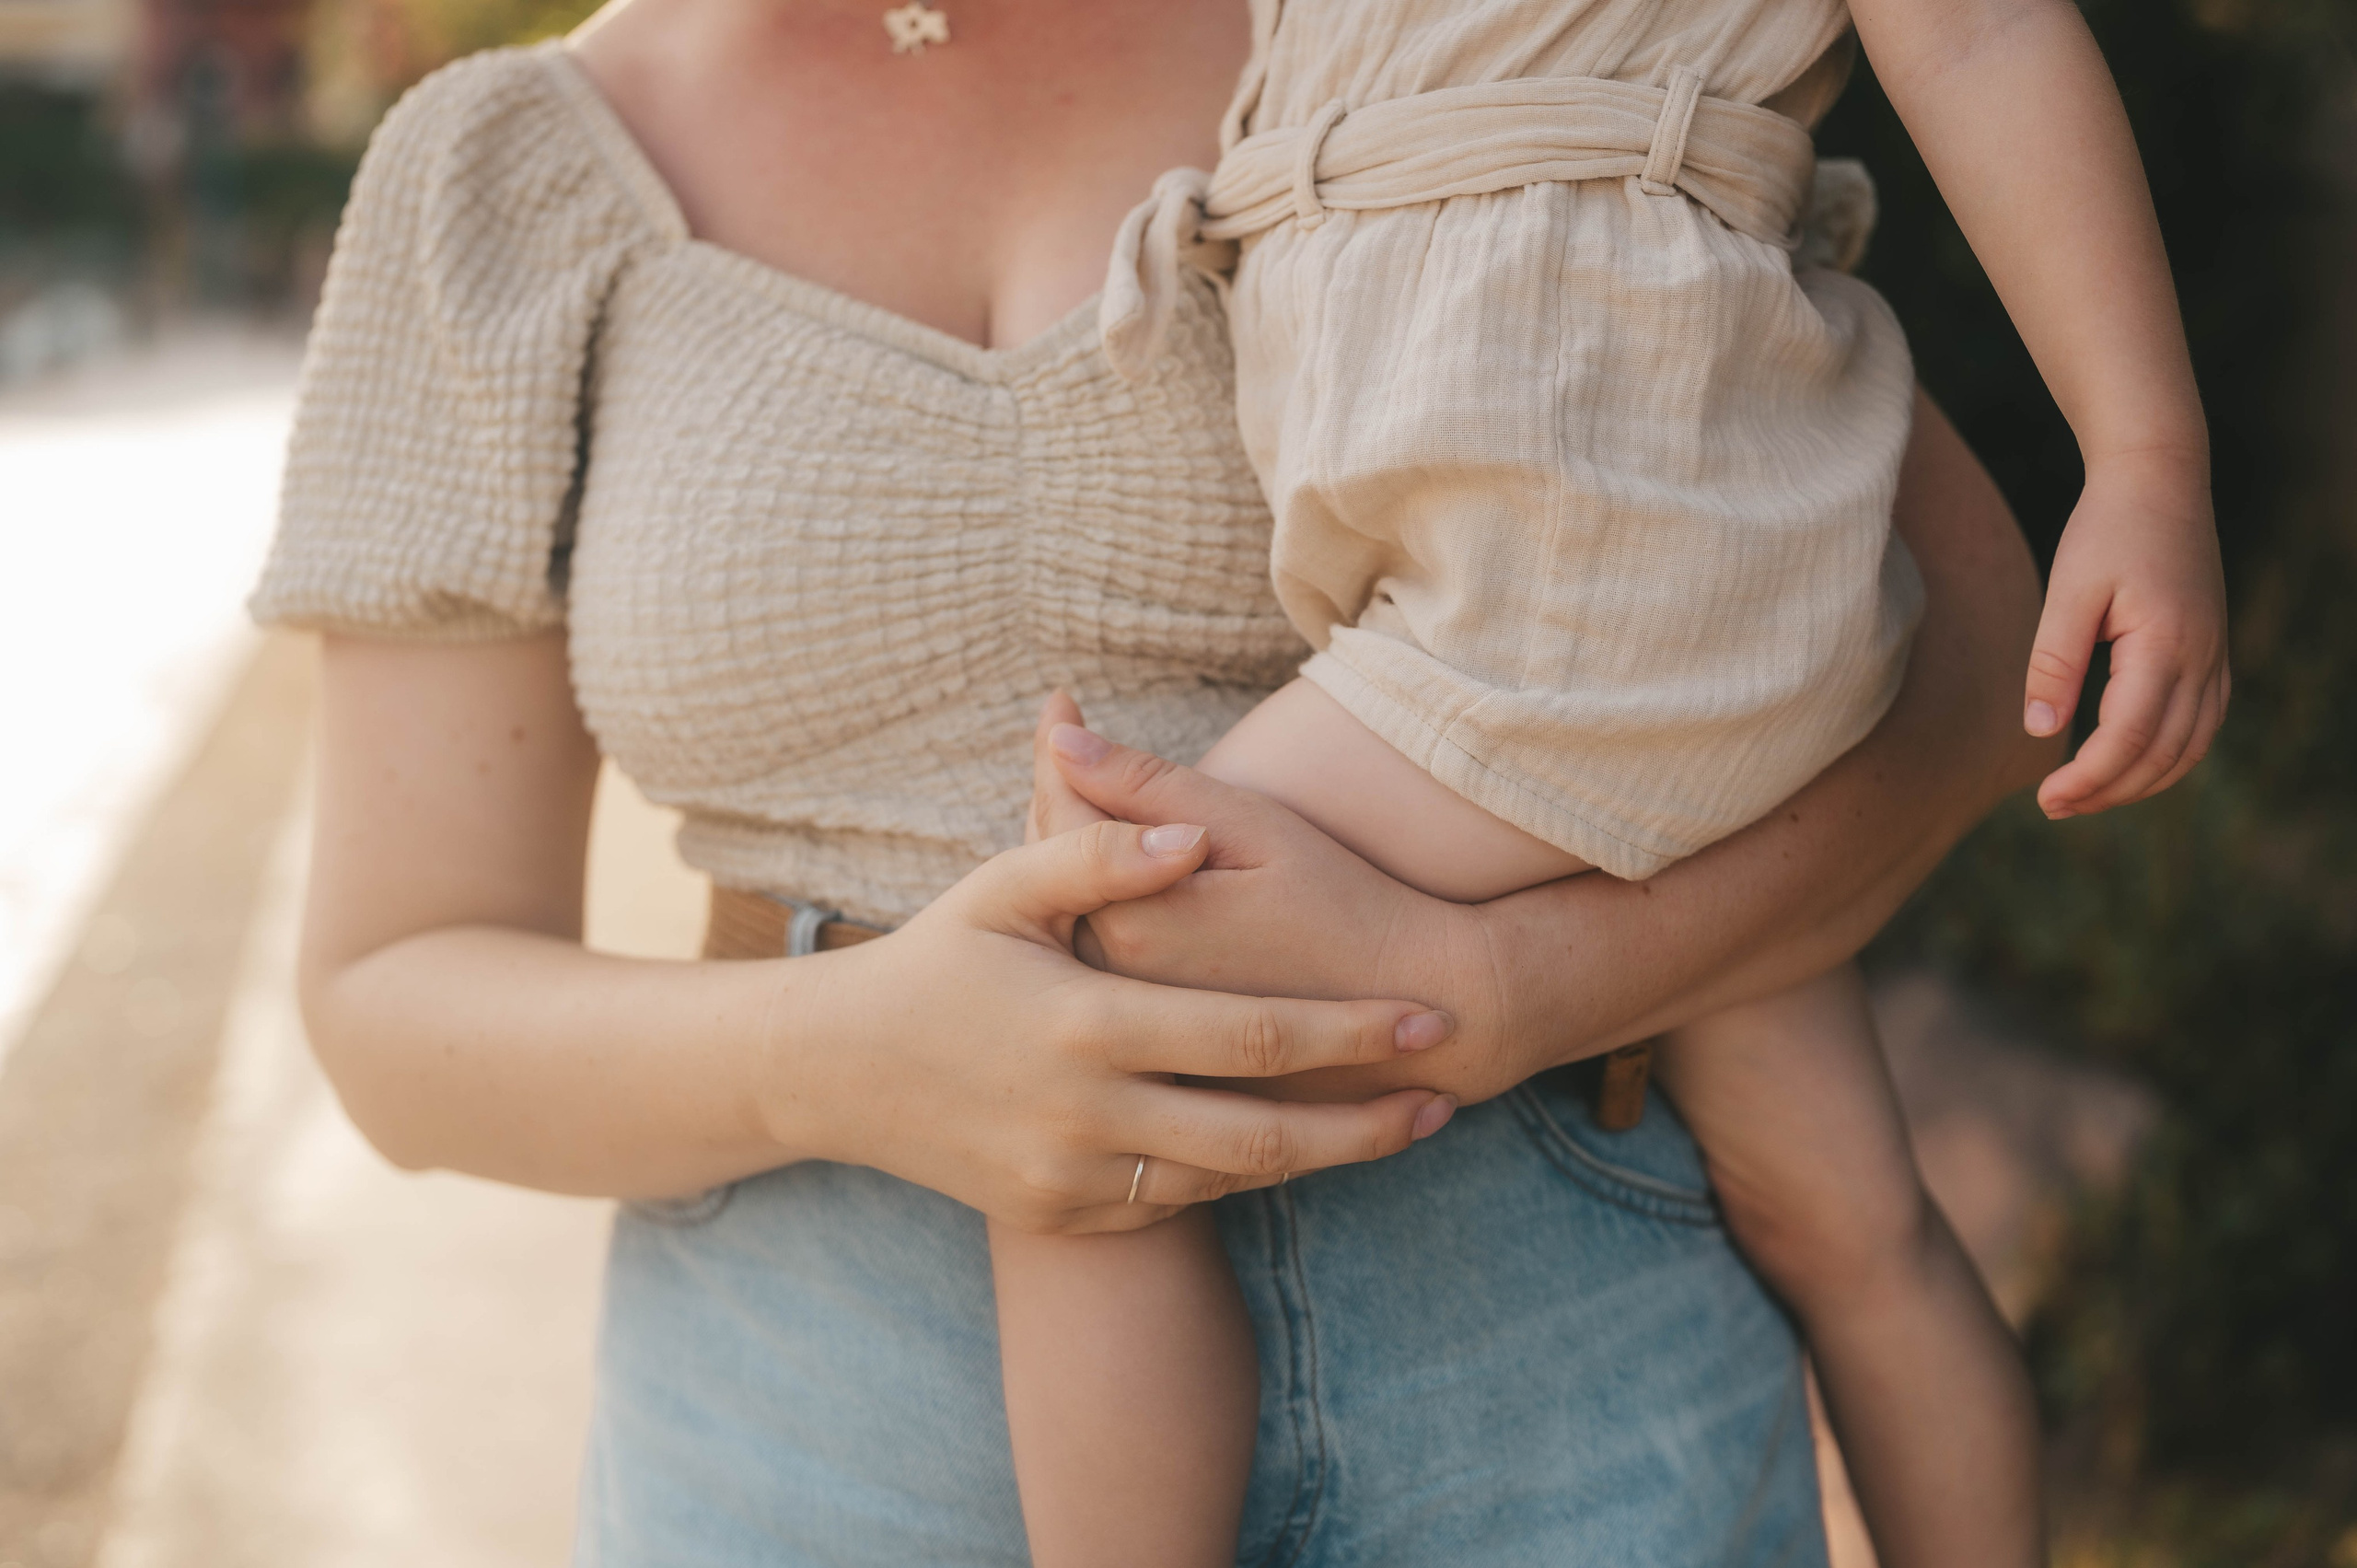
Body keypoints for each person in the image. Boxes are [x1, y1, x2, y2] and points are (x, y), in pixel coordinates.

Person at [250, 2, 2063, 1562]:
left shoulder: (1423, 30)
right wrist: (852, 1048)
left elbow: (1966, 653)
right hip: (815, 1415)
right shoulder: (503, 180)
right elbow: (394, 996)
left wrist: (1522, 988)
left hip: (1553, 1349)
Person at [987, 4, 2226, 1567]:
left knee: (1085, 1047)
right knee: (1849, 1219)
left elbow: (1977, 35)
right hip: (1604, 554)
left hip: (1585, 564)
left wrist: (2146, 460)